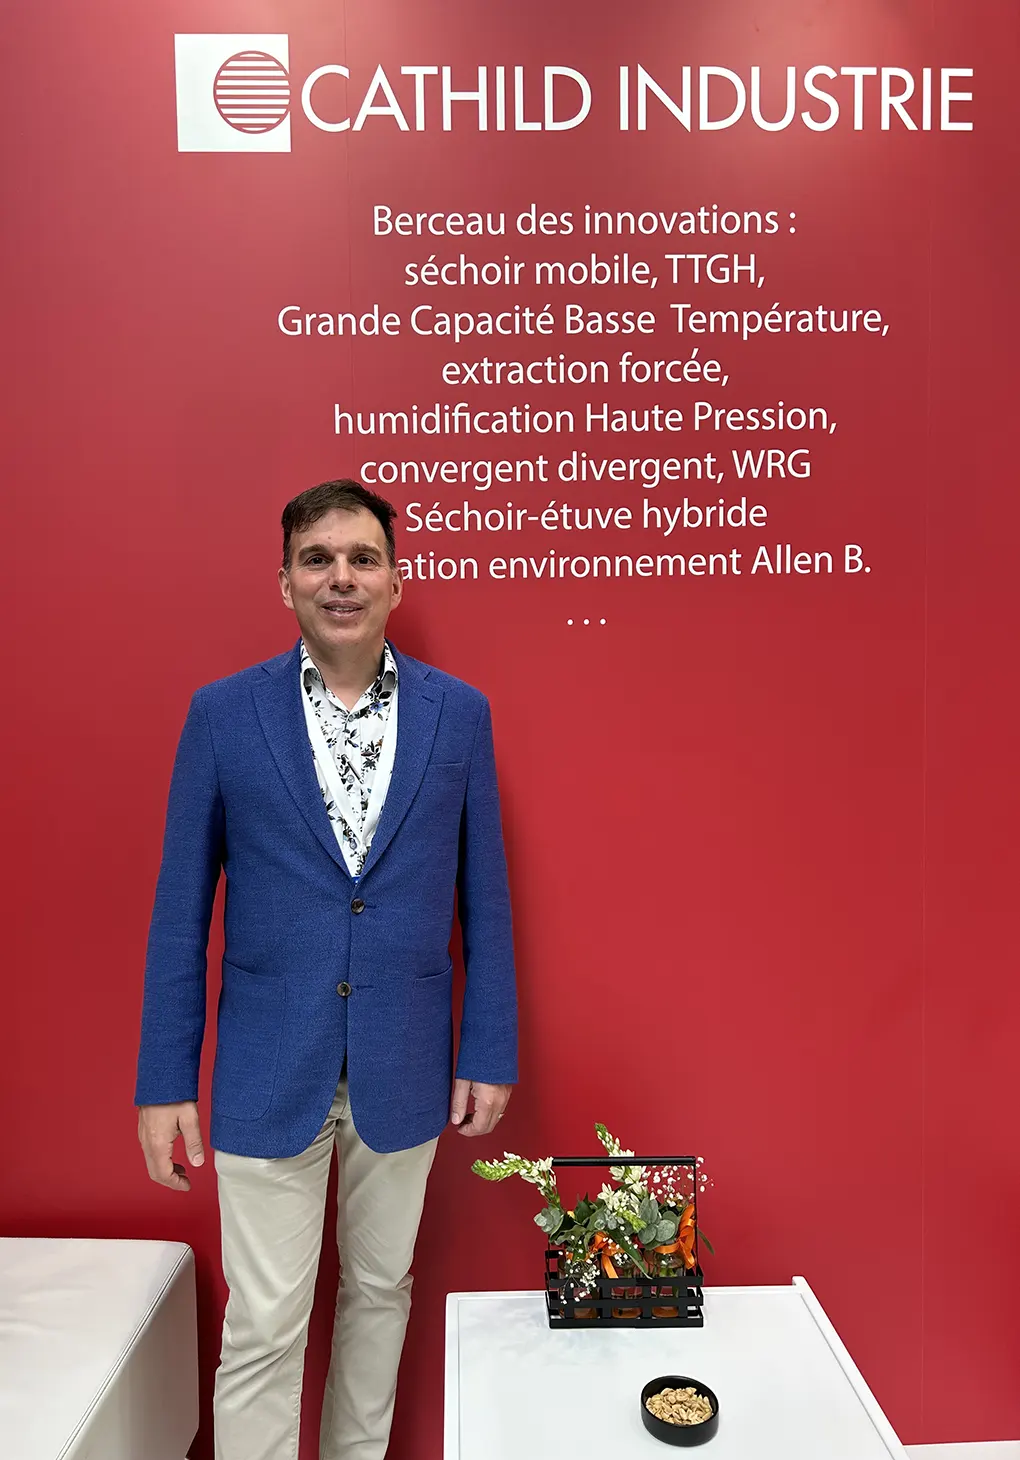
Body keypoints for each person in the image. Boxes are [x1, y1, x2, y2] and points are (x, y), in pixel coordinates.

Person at [134, 480, 517, 1460]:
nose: (340, 577)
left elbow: (486, 897)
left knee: (382, 1293)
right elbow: (180, 912)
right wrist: (165, 1082)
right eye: (318, 559)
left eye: (361, 558)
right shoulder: (223, 715)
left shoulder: (459, 715)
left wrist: (489, 1049)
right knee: (265, 1321)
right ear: (286, 582)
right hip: (268, 1064)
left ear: (395, 580)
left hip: (407, 1061)